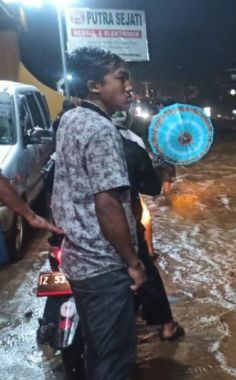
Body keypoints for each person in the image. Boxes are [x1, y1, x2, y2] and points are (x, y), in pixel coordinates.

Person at [51, 47, 146, 380]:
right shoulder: (103, 130)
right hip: (103, 264)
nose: (129, 86)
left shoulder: (70, 119)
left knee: (97, 348)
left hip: (77, 258)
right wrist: (133, 264)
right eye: (121, 78)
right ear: (94, 85)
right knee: (115, 361)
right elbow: (107, 204)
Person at [113, 110, 185, 341]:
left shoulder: (73, 136)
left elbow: (50, 176)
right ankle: (166, 325)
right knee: (144, 265)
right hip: (123, 218)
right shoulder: (132, 144)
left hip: (75, 229)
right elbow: (152, 187)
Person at [150, 97, 177, 196]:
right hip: (168, 155)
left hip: (155, 154)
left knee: (157, 182)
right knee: (167, 182)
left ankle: (158, 207)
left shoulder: (154, 118)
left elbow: (150, 136)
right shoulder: (175, 122)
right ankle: (168, 206)